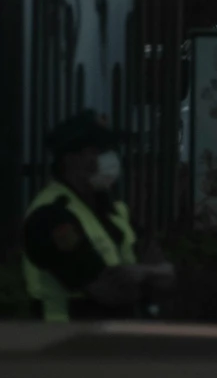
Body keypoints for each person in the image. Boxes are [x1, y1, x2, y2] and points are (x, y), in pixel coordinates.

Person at [21, 110, 175, 321]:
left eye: (108, 150)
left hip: (114, 341)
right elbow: (108, 292)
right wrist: (148, 276)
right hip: (68, 341)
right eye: (96, 150)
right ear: (71, 159)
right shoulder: (51, 215)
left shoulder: (115, 210)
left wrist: (143, 273)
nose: (108, 158)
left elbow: (168, 275)